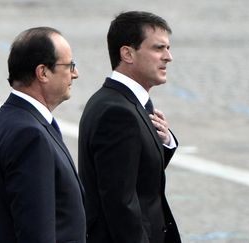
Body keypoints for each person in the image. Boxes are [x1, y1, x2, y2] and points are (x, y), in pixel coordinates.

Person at [78, 11, 182, 243]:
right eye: (158, 48)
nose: (168, 57)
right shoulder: (117, 113)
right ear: (128, 53)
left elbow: (138, 174)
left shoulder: (129, 102)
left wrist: (163, 143)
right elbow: (120, 203)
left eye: (168, 48)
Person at [0, 27, 86, 243]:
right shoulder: (29, 135)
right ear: (43, 73)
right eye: (69, 65)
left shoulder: (16, 119)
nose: (75, 74)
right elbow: (36, 233)